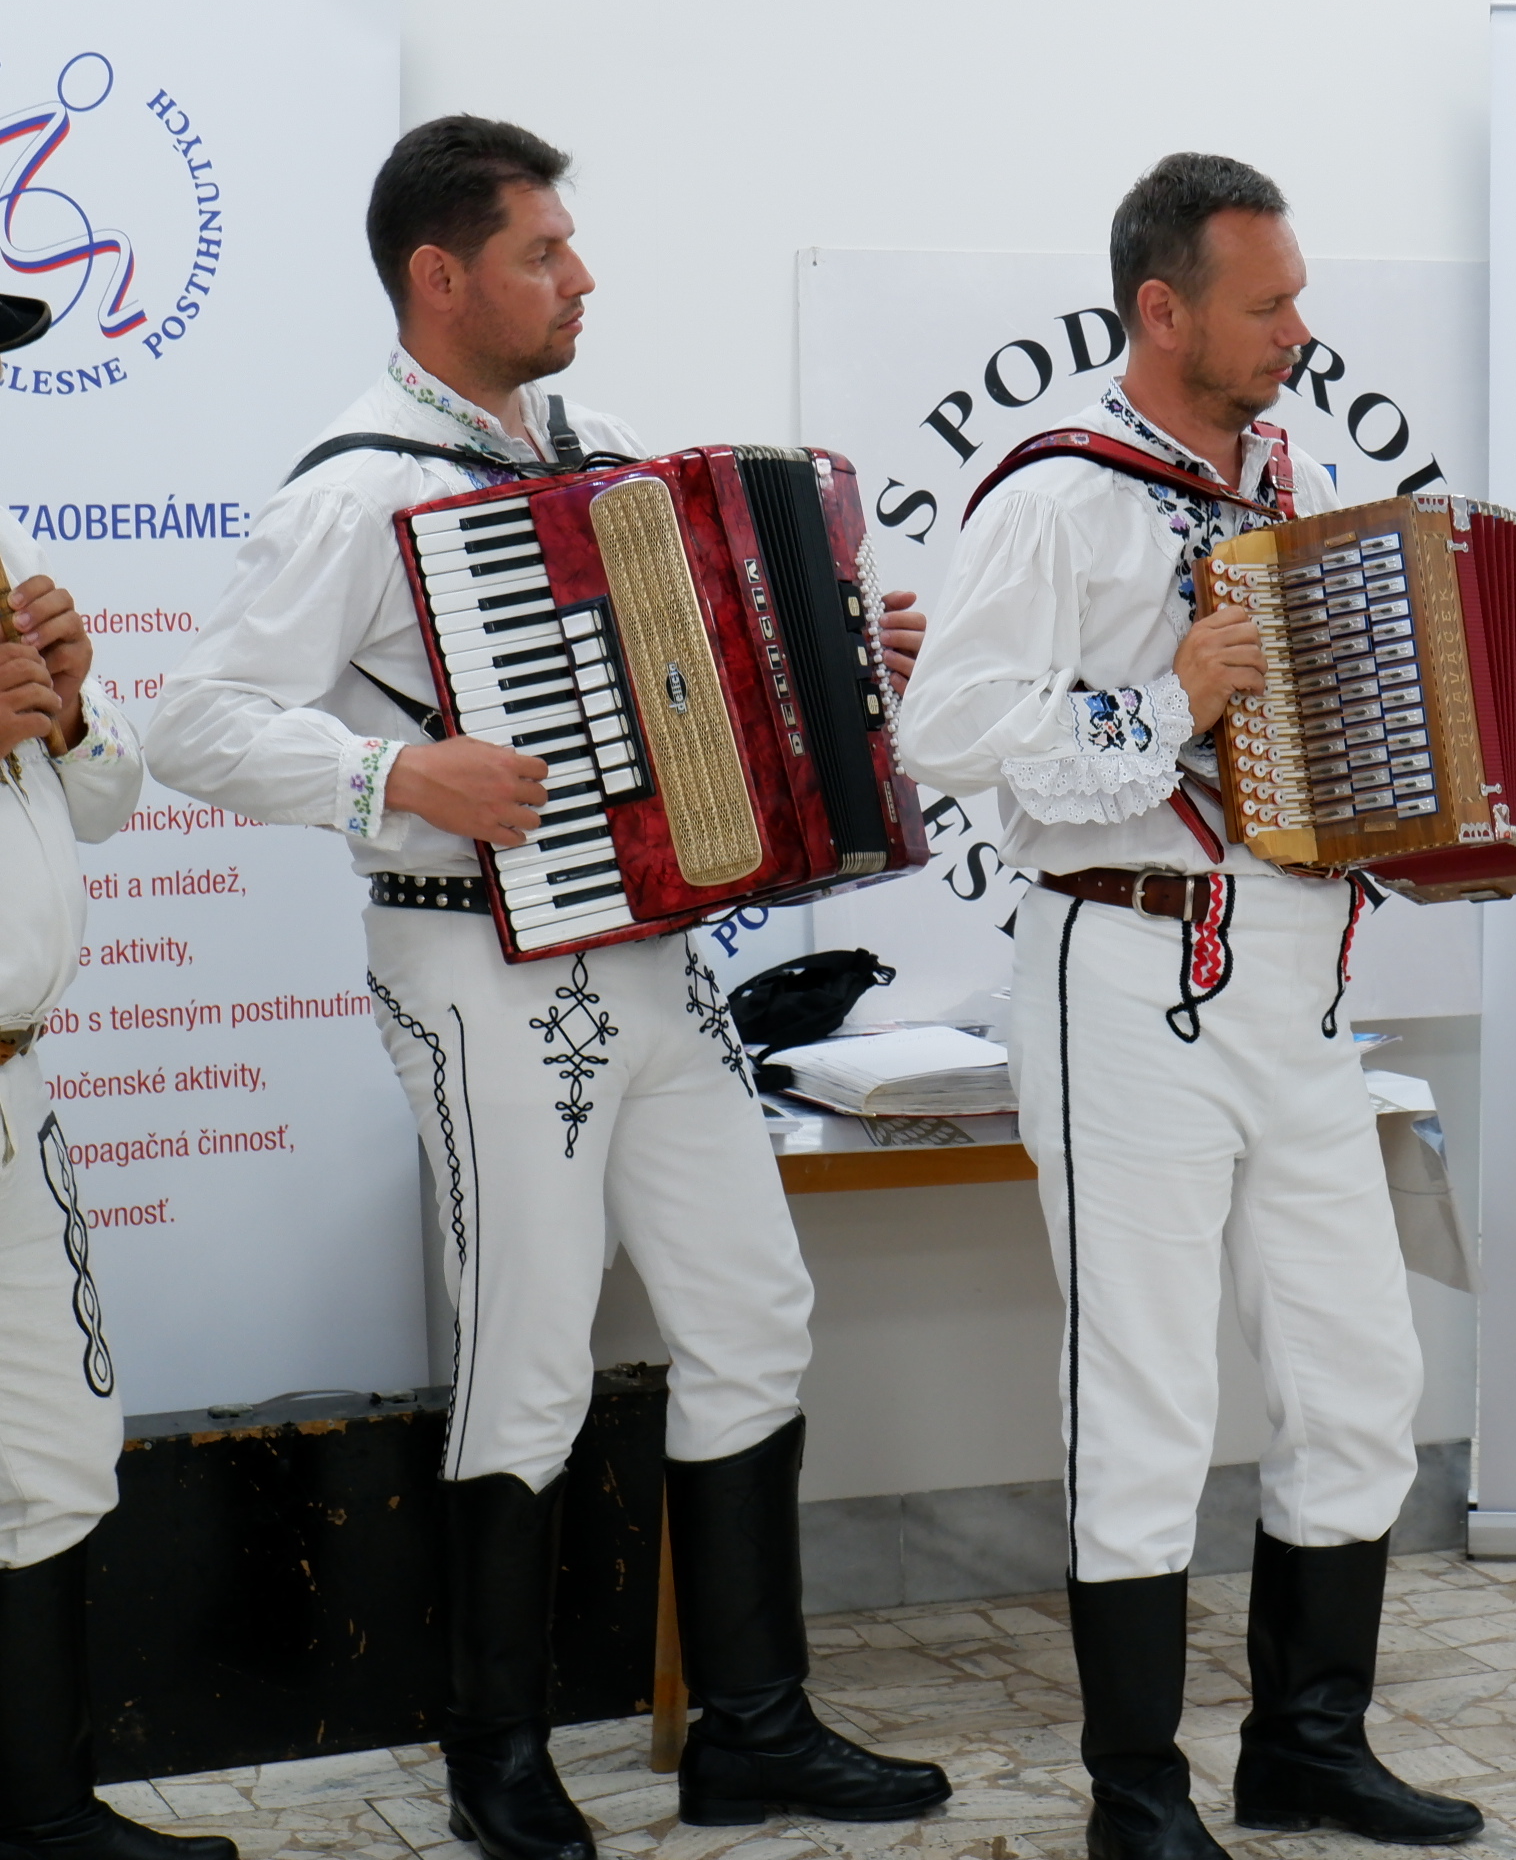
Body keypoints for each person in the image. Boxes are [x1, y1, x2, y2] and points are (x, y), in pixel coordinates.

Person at [143, 119, 946, 1860]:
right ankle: (492, 1751)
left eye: (572, 246)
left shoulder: (590, 461)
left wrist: (839, 658)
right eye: (542, 252)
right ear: (441, 277)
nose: (581, 277)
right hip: (473, 961)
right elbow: (190, 724)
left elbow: (702, 688)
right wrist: (394, 775)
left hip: (654, 960)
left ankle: (752, 1725)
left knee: (754, 1315)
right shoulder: (356, 491)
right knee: (527, 1355)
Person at [898, 153, 1516, 1860]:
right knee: (1147, 1392)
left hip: (1301, 983)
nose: (1298, 331)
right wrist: (1163, 699)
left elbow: (1348, 760)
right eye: (1269, 304)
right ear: (1163, 309)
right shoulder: (1057, 494)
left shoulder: (1307, 491)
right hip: (1121, 965)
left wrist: (1514, 777)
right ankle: (1136, 1791)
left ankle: (1307, 1747)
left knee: (1358, 1369)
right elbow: (946, 730)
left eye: (1301, 297)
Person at [0, 297, 233, 1860]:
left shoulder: (4, 545)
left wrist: (74, 710)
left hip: (17, 1087)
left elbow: (96, 806)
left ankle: (40, 1817)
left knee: (51, 1451)